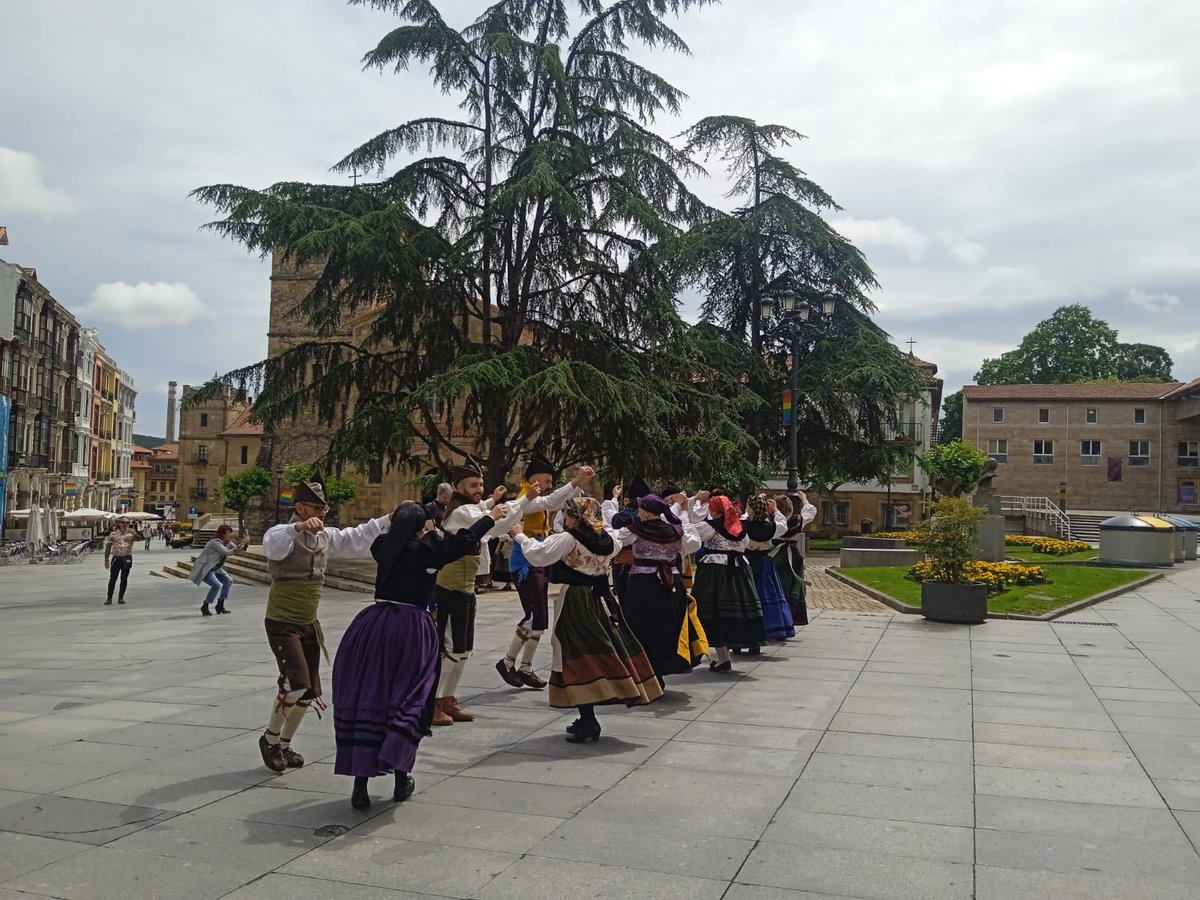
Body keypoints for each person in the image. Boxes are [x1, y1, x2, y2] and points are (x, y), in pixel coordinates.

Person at [333, 500, 507, 809]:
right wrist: (489, 518)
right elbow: (462, 542)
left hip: (373, 624)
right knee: (410, 696)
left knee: (370, 694)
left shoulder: (383, 546)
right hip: (410, 627)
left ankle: (361, 784)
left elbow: (393, 538)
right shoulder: (426, 550)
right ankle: (401, 777)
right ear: (419, 527)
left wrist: (418, 524)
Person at [257, 474, 391, 774]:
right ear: (301, 508)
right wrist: (297, 528)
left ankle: (285, 744)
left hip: (307, 622)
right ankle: (270, 739)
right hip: (282, 621)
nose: (322, 514)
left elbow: (356, 537)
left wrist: (386, 520)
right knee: (295, 683)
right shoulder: (283, 533)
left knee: (309, 691)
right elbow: (272, 544)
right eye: (316, 509)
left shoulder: (325, 536)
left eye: (324, 509)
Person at [510, 496, 662, 743]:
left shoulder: (569, 539)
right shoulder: (609, 541)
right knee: (601, 650)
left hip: (576, 600)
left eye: (568, 514)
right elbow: (619, 542)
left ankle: (588, 720)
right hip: (602, 600)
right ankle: (587, 716)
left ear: (577, 517)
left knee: (575, 653)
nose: (565, 518)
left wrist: (519, 535)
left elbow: (538, 555)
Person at [432, 458, 538, 725]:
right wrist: (523, 501)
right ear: (459, 487)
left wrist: (522, 501)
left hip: (466, 589)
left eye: (481, 484)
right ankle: (431, 703)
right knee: (449, 650)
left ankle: (448, 698)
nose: (479, 489)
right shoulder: (460, 512)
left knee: (463, 649)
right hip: (450, 589)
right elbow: (494, 524)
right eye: (473, 485)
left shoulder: (472, 508)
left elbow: (494, 520)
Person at [496, 453, 592, 690]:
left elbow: (553, 502)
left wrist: (577, 485)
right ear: (531, 480)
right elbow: (551, 502)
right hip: (525, 564)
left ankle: (526, 668)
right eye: (546, 481)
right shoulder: (523, 499)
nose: (549, 486)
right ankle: (507, 662)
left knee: (539, 618)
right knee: (532, 615)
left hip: (536, 561)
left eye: (550, 482)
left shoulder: (534, 499)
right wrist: (575, 483)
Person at [612, 493, 706, 683]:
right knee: (667, 626)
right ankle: (661, 669)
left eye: (640, 508)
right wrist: (684, 516)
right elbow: (693, 543)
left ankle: (647, 671)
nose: (638, 511)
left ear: (647, 512)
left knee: (641, 625)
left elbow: (613, 540)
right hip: (670, 586)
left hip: (643, 586)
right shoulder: (675, 530)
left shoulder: (635, 529)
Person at [691, 495, 766, 673]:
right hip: (740, 572)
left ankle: (722, 658)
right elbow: (745, 544)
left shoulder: (710, 527)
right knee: (735, 611)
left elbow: (691, 534)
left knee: (714, 612)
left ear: (715, 511)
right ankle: (725, 656)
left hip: (715, 573)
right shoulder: (740, 528)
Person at [742, 494, 793, 649]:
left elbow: (744, 518)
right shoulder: (770, 527)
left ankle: (742, 637)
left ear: (750, 509)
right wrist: (776, 510)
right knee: (764, 597)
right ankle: (763, 633)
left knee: (745, 599)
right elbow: (783, 524)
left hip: (745, 563)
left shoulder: (742, 525)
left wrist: (751, 506)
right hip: (764, 564)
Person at [771, 493, 816, 625]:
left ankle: (776, 618)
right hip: (793, 556)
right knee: (792, 588)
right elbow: (810, 513)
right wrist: (804, 499)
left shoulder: (774, 520)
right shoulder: (797, 520)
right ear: (790, 509)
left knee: (777, 586)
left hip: (776, 555)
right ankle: (790, 617)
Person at [190, 524, 251, 616]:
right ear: (223, 533)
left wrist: (245, 545)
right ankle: (205, 606)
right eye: (229, 533)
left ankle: (220, 605)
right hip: (206, 569)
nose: (231, 535)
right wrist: (241, 544)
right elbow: (227, 552)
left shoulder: (227, 542)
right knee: (216, 585)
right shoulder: (215, 543)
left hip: (216, 568)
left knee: (228, 580)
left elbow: (236, 549)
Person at [103, 517, 137, 605]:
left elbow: (140, 539)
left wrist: (135, 533)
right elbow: (108, 547)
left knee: (124, 578)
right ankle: (109, 598)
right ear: (119, 523)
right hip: (116, 558)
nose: (125, 524)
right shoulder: (113, 534)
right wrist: (106, 559)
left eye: (127, 522)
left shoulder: (131, 533)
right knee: (113, 579)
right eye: (123, 522)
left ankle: (121, 597)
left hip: (127, 558)